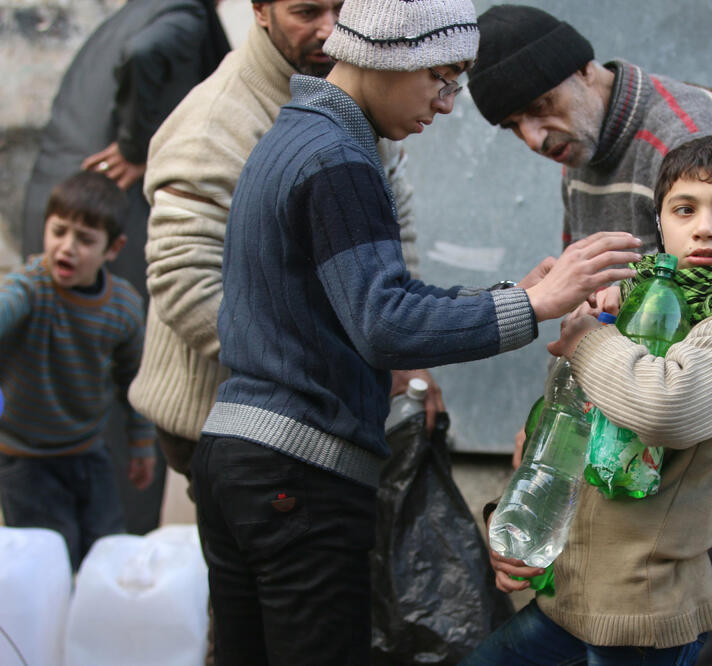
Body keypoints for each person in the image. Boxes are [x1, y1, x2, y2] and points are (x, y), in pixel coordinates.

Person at [190, 1, 643, 663]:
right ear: (388, 54)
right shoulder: (339, 158)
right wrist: (535, 303)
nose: (449, 101)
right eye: (443, 75)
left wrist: (514, 295)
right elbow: (385, 325)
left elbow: (372, 301)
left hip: (237, 461)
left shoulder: (294, 135)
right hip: (299, 476)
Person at [466, 7, 712, 664]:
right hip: (632, 415)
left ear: (583, 68)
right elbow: (592, 310)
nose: (535, 137)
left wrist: (607, 364)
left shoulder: (690, 135)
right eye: (514, 126)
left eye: (541, 107)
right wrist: (548, 426)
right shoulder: (579, 155)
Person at [128, 0, 436, 489]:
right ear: (261, 10)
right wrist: (333, 370)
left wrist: (404, 353)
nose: (330, 30)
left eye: (342, 8)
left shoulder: (357, 97)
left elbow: (396, 234)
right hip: (226, 421)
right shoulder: (215, 123)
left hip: (321, 413)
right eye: (306, 12)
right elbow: (183, 282)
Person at [20, 0, 230, 534]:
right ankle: (113, 536)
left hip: (62, 205)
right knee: (122, 360)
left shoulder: (131, 13)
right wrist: (139, 145)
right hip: (104, 213)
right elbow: (148, 54)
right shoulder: (182, 16)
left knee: (73, 357)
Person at [0, 171, 156, 571]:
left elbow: (132, 379)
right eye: (59, 232)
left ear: (113, 248)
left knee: (106, 548)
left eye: (85, 239)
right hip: (25, 460)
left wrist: (141, 444)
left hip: (89, 453)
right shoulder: (29, 287)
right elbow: (6, 305)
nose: (67, 247)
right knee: (50, 561)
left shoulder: (122, 307)